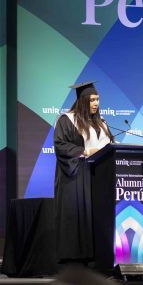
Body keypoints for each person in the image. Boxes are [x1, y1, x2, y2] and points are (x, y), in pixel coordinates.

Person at [53, 81, 113, 263]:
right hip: (76, 175)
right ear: (82, 101)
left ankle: (99, 256)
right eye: (92, 100)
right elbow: (60, 145)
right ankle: (74, 259)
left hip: (98, 175)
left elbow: (110, 144)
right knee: (76, 215)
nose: (96, 103)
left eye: (98, 99)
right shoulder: (67, 120)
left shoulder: (102, 123)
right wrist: (85, 151)